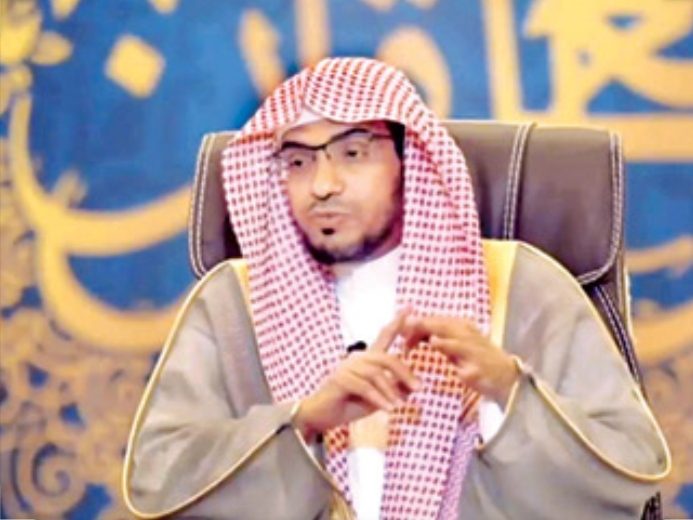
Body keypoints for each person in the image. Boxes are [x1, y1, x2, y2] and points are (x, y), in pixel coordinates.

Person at [122, 58, 670, 520]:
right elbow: (159, 484)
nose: (323, 184)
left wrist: (507, 392)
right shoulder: (233, 304)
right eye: (298, 162)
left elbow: (628, 472)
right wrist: (306, 421)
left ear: (411, 161)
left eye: (353, 152)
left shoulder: (520, 285)